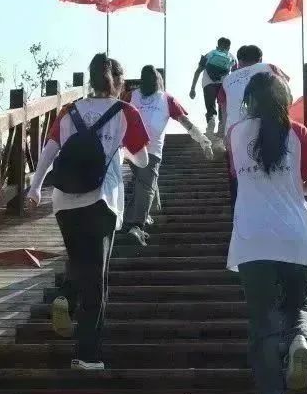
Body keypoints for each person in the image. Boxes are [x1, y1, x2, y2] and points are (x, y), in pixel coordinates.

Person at [26, 53, 150, 370]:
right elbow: (143, 159)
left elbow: (49, 150)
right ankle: (87, 354)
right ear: (119, 83)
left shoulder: (69, 110)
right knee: (97, 280)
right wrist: (118, 149)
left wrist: (35, 188)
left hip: (64, 201)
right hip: (100, 201)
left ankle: (66, 296)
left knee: (80, 263)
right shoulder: (125, 112)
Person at [226, 72, 307, 394]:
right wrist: (292, 189)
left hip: (254, 241)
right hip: (296, 235)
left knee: (263, 326)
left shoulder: (235, 134)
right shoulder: (298, 133)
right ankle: (300, 339)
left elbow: (238, 179)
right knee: (298, 305)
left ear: (249, 101)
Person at [123, 65, 214, 245]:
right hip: (150, 151)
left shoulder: (131, 96)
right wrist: (204, 141)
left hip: (132, 149)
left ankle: (147, 213)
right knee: (146, 185)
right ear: (159, 80)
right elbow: (185, 122)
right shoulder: (166, 98)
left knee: (145, 181)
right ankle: (135, 225)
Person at [218, 44, 290, 209]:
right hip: (268, 126)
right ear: (260, 58)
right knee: (274, 170)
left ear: (239, 61)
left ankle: (240, 213)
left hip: (235, 133)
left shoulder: (227, 80)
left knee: (239, 176)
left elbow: (224, 109)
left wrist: (225, 135)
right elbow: (286, 90)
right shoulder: (269, 67)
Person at [189, 37, 236, 136]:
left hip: (208, 84)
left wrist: (192, 88)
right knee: (222, 107)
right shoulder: (231, 57)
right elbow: (236, 74)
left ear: (217, 45)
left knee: (210, 107)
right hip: (223, 85)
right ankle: (221, 129)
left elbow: (198, 71)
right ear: (229, 47)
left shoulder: (210, 54)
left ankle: (210, 128)